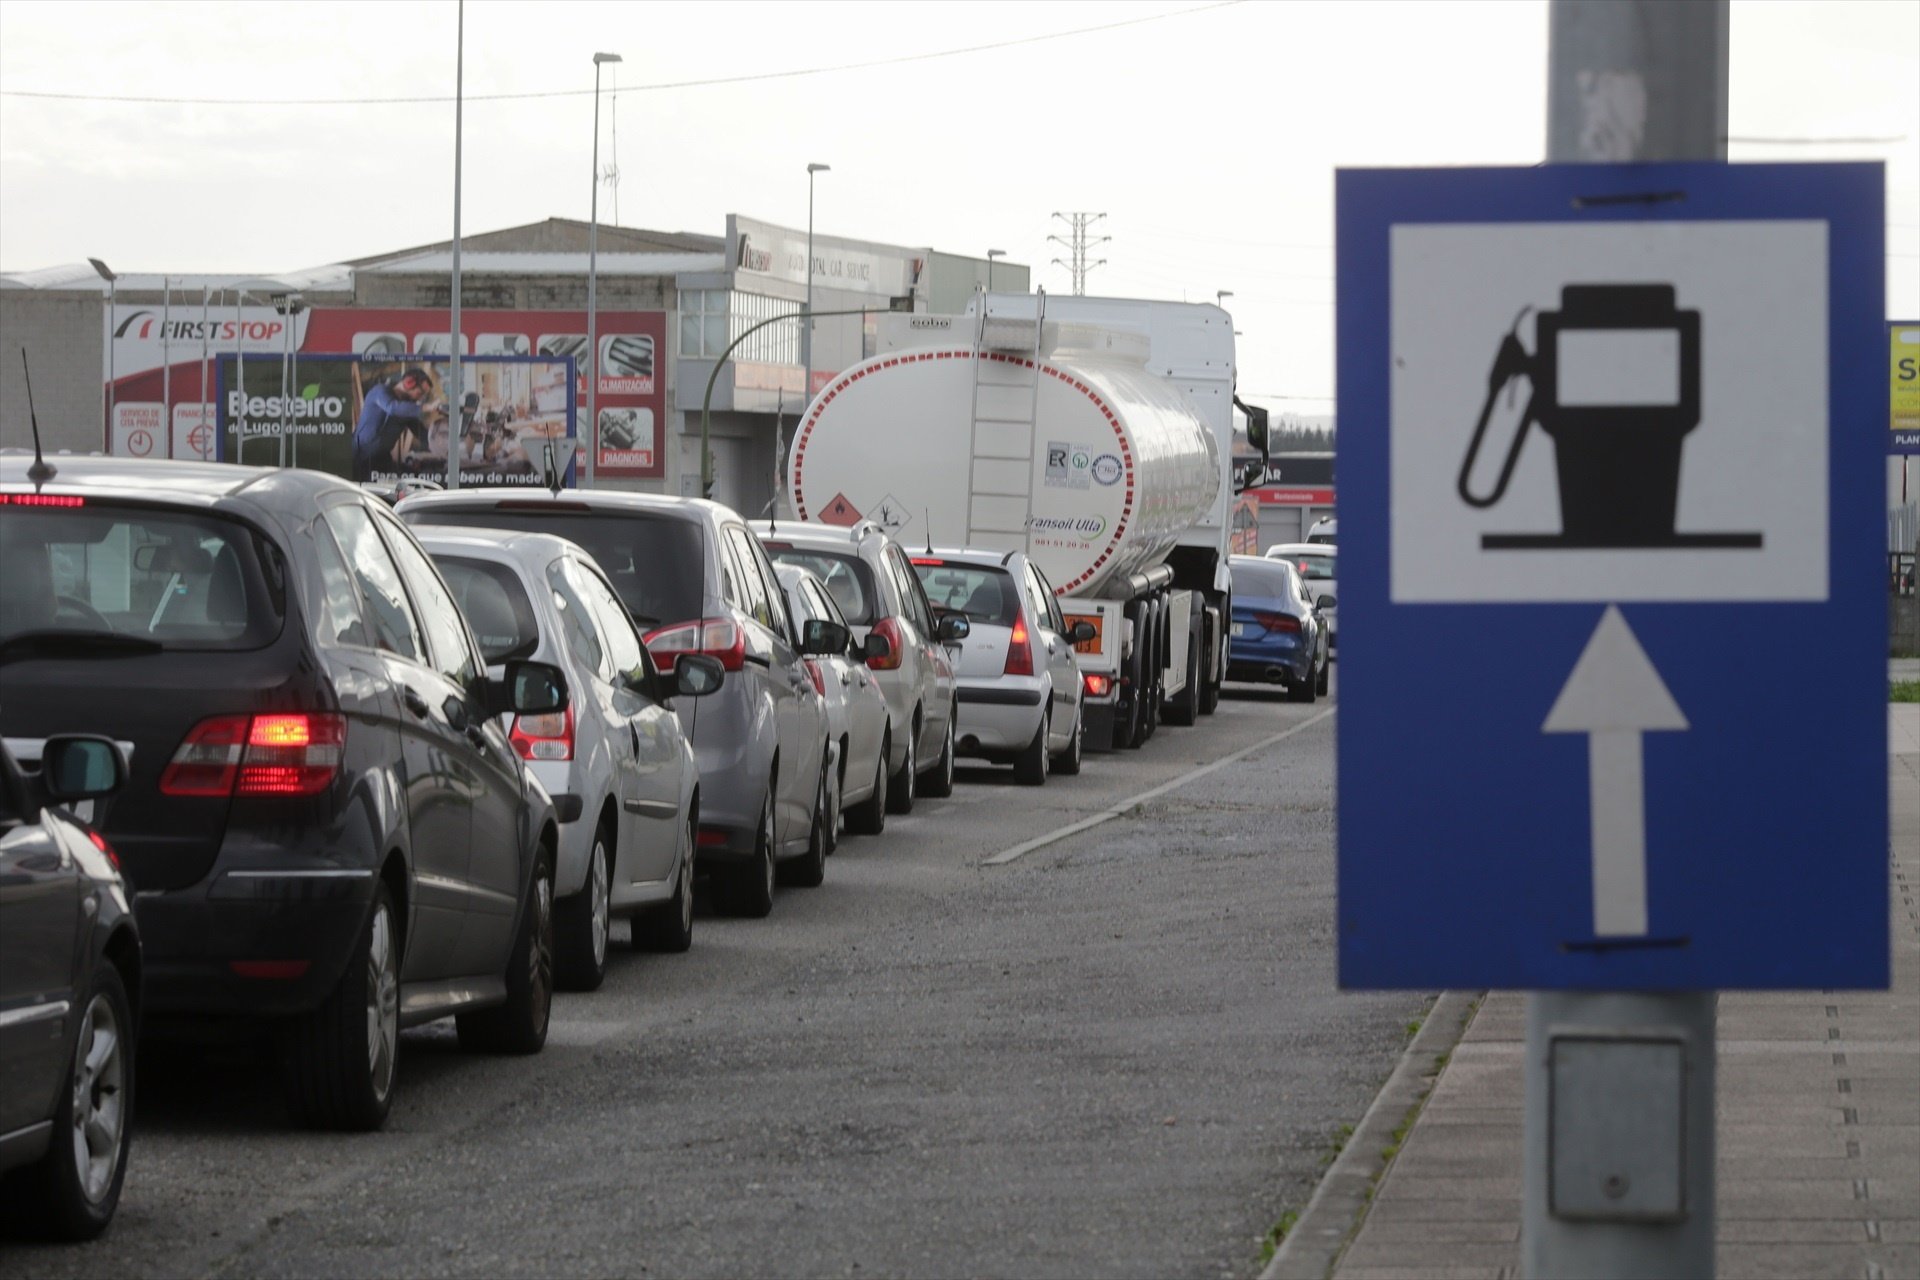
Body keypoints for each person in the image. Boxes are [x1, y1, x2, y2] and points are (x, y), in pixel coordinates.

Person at [351, 368, 437, 482]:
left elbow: (422, 433)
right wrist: (426, 407)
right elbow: (392, 408)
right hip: (359, 456)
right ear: (409, 383)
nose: (421, 398)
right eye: (420, 393)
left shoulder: (407, 408)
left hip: (381, 459)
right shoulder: (380, 392)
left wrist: (441, 445)